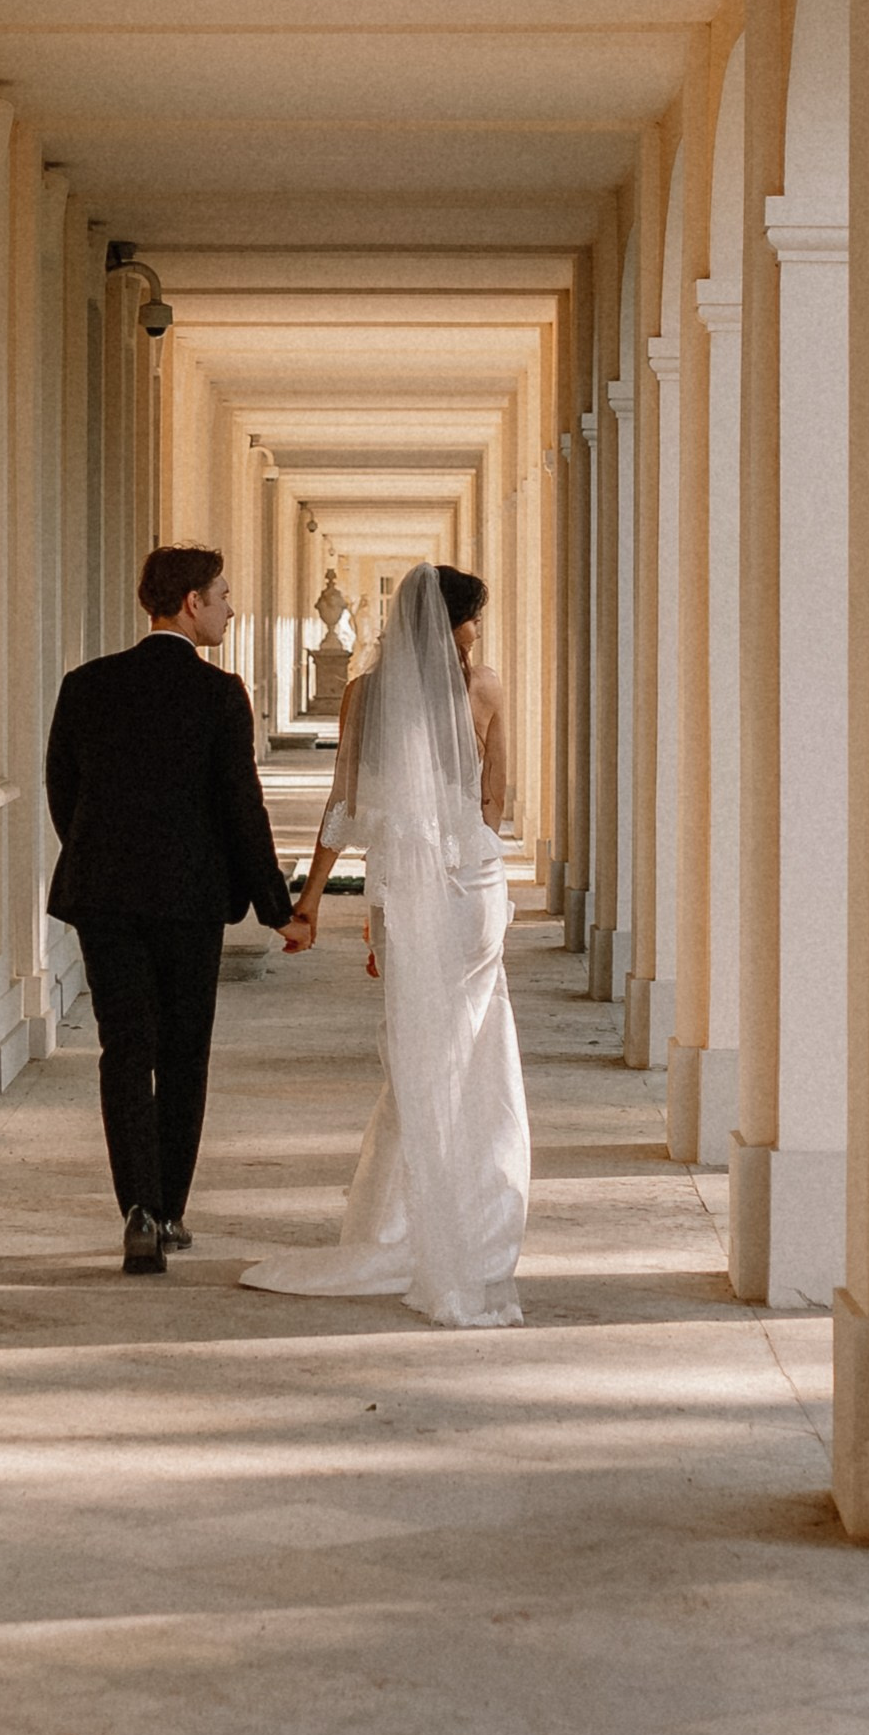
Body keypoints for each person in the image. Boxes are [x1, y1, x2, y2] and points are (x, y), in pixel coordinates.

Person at [241, 564, 529, 1329]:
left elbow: (344, 805)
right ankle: (468, 1219)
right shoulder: (486, 687)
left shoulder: (367, 692)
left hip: (406, 889)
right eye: (472, 621)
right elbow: (494, 801)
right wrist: (463, 850)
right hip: (472, 884)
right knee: (470, 1045)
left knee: (416, 1051)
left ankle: (403, 1225)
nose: (474, 635)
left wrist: (311, 901)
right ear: (456, 625)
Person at [44, 544, 292, 1274]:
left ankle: (138, 1211)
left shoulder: (85, 684)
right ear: (190, 604)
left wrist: (104, 857)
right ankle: (171, 1210)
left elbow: (66, 795)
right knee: (182, 1053)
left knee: (123, 1050)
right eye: (220, 595)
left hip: (105, 895)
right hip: (188, 899)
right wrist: (279, 909)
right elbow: (240, 809)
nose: (228, 607)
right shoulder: (219, 695)